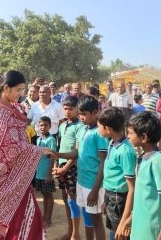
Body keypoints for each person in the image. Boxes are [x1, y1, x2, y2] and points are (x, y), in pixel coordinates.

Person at [0, 70, 54, 239]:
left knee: (24, 218)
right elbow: (7, 146)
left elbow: (18, 140)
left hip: (16, 175)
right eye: (18, 90)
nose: (21, 94)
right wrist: (37, 150)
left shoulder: (13, 108)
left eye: (22, 90)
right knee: (3, 222)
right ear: (6, 88)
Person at [56, 96, 108, 240]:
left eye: (84, 114)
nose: (81, 117)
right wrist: (56, 154)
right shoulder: (83, 129)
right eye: (80, 114)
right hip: (81, 181)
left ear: (96, 112)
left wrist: (95, 189)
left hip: (93, 184)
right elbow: (76, 153)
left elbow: (103, 162)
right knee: (87, 218)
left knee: (97, 220)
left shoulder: (99, 133)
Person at [126, 112, 161, 240]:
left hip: (152, 231)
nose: (128, 136)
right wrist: (131, 218)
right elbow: (144, 197)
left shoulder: (158, 162)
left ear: (144, 137)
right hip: (140, 226)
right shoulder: (143, 157)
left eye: (130, 133)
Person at [98, 107, 136, 240]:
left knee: (121, 233)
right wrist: (105, 201)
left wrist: (125, 219)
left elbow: (131, 188)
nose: (98, 129)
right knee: (114, 231)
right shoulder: (111, 143)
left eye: (99, 126)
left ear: (107, 128)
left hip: (119, 199)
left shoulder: (125, 150)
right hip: (110, 196)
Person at [53, 96, 85, 240]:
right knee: (66, 199)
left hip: (72, 167)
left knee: (72, 200)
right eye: (65, 109)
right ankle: (70, 231)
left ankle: (75, 234)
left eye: (71, 109)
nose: (67, 111)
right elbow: (59, 147)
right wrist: (56, 166)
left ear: (77, 110)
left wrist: (65, 168)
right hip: (61, 166)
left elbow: (77, 152)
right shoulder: (62, 125)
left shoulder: (80, 126)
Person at [34, 116, 57, 227]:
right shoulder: (39, 139)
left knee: (49, 195)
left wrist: (49, 174)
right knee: (44, 195)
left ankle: (48, 219)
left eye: (45, 125)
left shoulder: (51, 140)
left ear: (50, 126)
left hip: (46, 173)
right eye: (41, 125)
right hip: (40, 172)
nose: (43, 127)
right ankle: (44, 216)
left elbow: (52, 157)